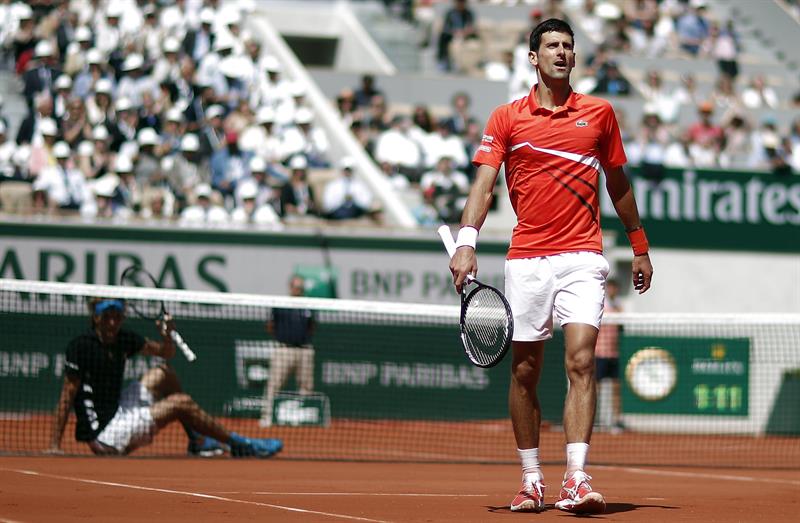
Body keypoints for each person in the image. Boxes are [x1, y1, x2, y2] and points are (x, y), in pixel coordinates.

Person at [448, 19, 653, 515]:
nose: (561, 53)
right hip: (527, 260)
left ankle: (577, 479)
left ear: (575, 57)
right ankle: (532, 479)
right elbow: (483, 185)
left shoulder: (601, 115)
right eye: (551, 46)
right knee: (524, 372)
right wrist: (466, 241)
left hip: (584, 255)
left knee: (581, 361)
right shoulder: (505, 118)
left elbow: (619, 183)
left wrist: (639, 244)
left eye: (568, 46)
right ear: (533, 58)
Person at [48, 297, 283, 458]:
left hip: (118, 411)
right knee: (182, 403)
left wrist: (167, 335)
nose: (113, 322)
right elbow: (67, 395)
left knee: (163, 374)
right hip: (105, 436)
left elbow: (166, 353)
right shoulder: (81, 346)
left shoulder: (124, 338)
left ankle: (197, 442)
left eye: (117, 317)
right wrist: (54, 445)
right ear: (96, 318)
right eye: (107, 317)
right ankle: (242, 445)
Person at [260, 275, 315, 428]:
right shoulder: (281, 304)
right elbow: (270, 325)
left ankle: (304, 419)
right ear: (290, 287)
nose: (298, 290)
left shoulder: (308, 305)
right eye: (296, 287)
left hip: (304, 350)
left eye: (301, 287)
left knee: (306, 386)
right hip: (284, 349)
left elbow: (312, 326)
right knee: (275, 384)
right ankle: (267, 416)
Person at [594, 279, 624, 432]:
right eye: (611, 288)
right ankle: (593, 420)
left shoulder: (618, 308)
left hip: (613, 354)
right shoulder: (601, 306)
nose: (613, 290)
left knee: (616, 388)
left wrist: (619, 311)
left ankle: (616, 421)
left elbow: (621, 326)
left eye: (615, 288)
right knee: (594, 388)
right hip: (599, 353)